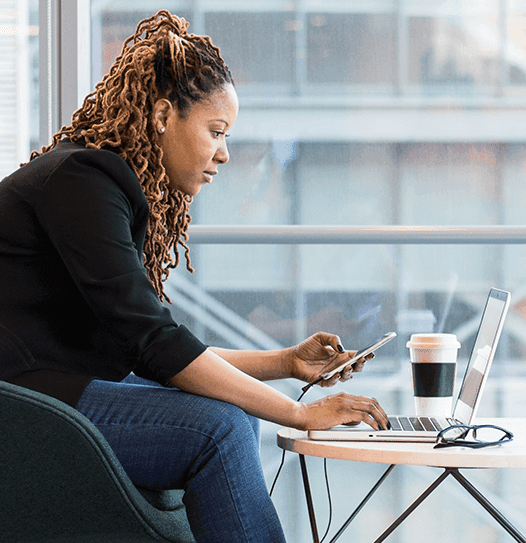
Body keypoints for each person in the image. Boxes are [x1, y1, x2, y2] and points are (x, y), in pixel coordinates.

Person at [0, 10, 389, 542]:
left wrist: (286, 363)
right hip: (22, 408)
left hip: (52, 392)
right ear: (163, 115)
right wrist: (299, 415)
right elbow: (157, 346)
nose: (224, 154)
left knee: (232, 413)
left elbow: (159, 346)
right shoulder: (84, 180)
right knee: (221, 429)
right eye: (216, 131)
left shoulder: (98, 182)